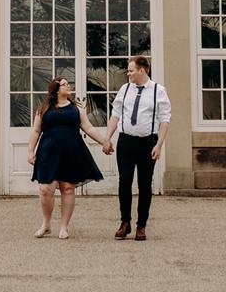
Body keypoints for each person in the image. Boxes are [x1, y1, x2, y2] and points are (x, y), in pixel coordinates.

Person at [27, 76, 107, 239]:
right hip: (48, 153)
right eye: (64, 84)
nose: (68, 86)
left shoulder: (77, 109)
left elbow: (89, 128)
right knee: (45, 189)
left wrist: (104, 142)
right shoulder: (43, 108)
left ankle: (64, 227)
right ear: (56, 89)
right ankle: (46, 224)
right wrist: (30, 151)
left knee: (68, 188)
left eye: (68, 84)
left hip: (71, 152)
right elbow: (36, 131)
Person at [104, 54, 170, 241]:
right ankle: (125, 223)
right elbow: (115, 115)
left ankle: (141, 226)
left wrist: (159, 145)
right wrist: (107, 138)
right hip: (126, 142)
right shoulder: (125, 89)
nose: (128, 74)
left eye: (131, 70)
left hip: (147, 143)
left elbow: (165, 120)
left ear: (142, 70)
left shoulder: (158, 91)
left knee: (145, 184)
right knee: (124, 182)